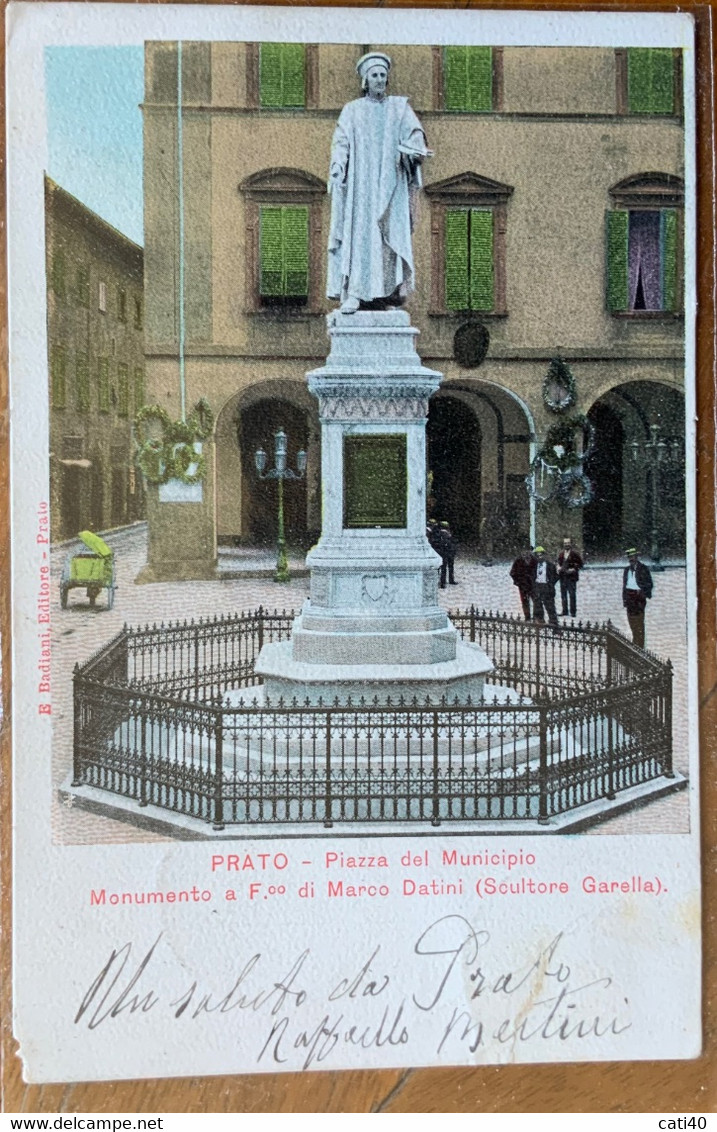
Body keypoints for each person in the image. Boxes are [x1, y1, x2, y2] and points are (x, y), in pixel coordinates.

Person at [327, 53, 431, 314]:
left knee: (387, 239)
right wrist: (338, 167)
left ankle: (386, 296)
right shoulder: (353, 110)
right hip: (361, 187)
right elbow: (341, 141)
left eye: (383, 75)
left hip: (390, 184)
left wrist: (414, 149)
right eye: (374, 75)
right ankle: (355, 294)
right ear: (365, 79)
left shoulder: (399, 108)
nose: (380, 80)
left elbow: (415, 133)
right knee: (361, 237)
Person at [622, 548, 653, 649]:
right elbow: (624, 585)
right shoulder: (626, 570)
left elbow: (649, 583)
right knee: (632, 622)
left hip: (639, 597)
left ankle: (640, 646)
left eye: (632, 557)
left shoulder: (643, 568)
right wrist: (625, 599)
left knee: (639, 623)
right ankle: (635, 643)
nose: (631, 559)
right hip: (629, 597)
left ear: (636, 557)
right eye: (629, 557)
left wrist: (643, 593)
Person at [531, 546, 559, 627]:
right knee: (537, 605)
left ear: (544, 555)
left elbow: (556, 576)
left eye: (541, 555)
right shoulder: (534, 566)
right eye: (537, 555)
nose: (540, 557)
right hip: (537, 586)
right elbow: (531, 576)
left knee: (550, 605)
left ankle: (553, 622)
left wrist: (550, 583)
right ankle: (540, 621)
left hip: (546, 587)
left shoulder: (550, 565)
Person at [557, 536, 584, 618]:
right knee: (563, 595)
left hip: (571, 578)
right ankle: (564, 611)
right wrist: (558, 567)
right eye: (565, 543)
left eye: (568, 543)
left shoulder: (575, 554)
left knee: (572, 594)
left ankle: (573, 612)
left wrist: (574, 569)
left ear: (571, 544)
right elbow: (558, 562)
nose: (567, 545)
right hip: (563, 577)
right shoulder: (561, 554)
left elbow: (581, 564)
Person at [510, 548, 535, 621]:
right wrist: (518, 582)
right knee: (525, 602)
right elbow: (512, 573)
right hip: (523, 585)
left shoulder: (534, 560)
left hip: (533, 585)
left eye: (528, 551)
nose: (526, 553)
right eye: (525, 551)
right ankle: (527, 617)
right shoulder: (518, 561)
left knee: (536, 601)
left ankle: (536, 616)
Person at [435, 521, 458, 587]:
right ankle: (447, 581)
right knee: (447, 567)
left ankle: (444, 582)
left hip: (445, 552)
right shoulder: (445, 534)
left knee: (444, 568)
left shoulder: (439, 534)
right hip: (447, 552)